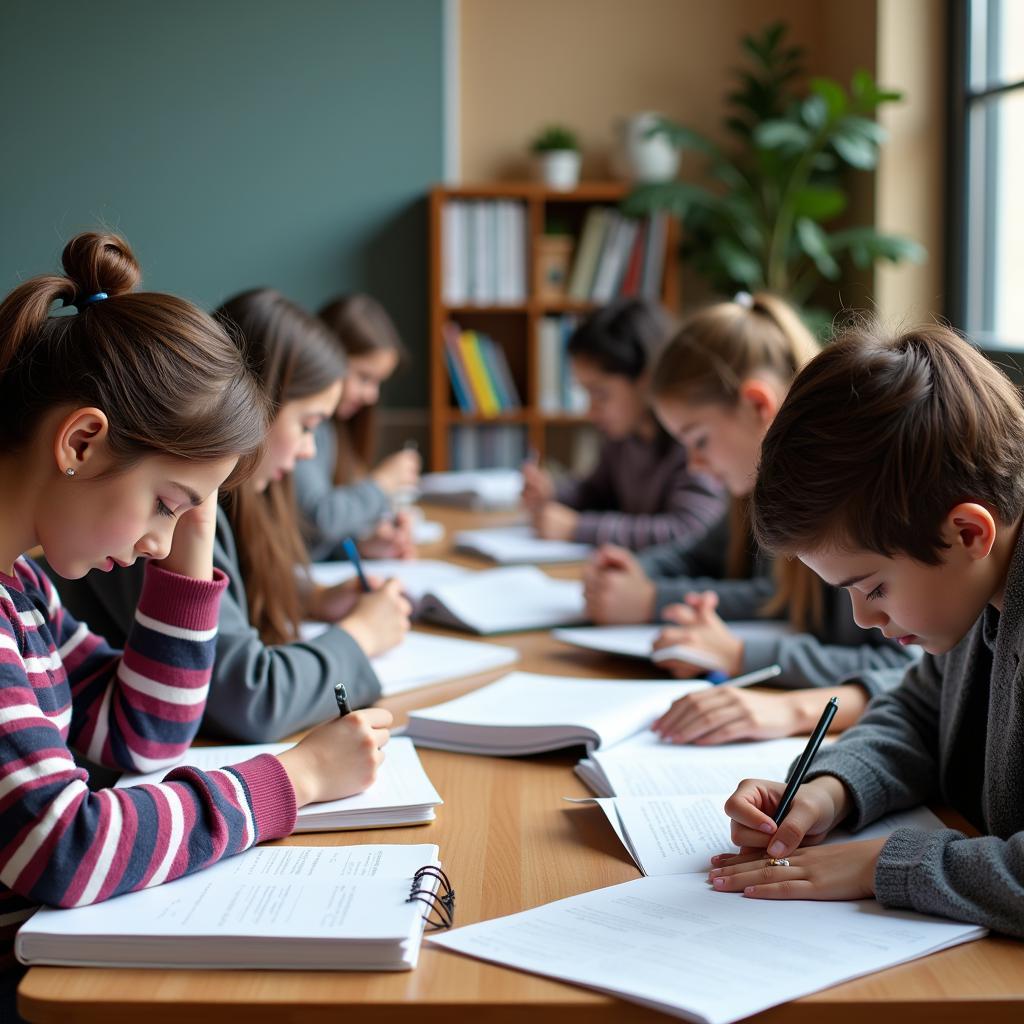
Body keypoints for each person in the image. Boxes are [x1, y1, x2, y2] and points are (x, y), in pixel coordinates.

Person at [0, 234, 391, 1019]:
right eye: (165, 504)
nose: (158, 544)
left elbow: (139, 735)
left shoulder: (24, 590)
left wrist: (199, 511)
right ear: (81, 442)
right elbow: (65, 847)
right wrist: (295, 782)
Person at [711, 323, 1024, 937]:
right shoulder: (977, 593)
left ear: (968, 533)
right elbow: (917, 711)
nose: (864, 618)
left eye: (874, 587)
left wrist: (886, 863)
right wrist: (831, 789)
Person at [49, 288, 410, 743]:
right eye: (308, 424)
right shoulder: (154, 513)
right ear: (261, 407)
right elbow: (249, 700)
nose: (309, 450)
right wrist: (360, 636)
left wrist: (312, 598)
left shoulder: (168, 507)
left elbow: (153, 729)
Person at [586, 294, 914, 744]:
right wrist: (638, 573)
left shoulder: (843, 499)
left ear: (758, 407)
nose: (693, 465)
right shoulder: (753, 491)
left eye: (698, 440)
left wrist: (735, 649)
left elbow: (905, 668)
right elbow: (701, 552)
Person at [521, 298, 725, 550]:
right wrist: (553, 492)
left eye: (600, 394)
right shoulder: (624, 438)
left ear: (646, 379)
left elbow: (691, 529)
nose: (590, 411)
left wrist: (577, 528)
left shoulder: (692, 441)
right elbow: (595, 492)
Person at [294, 294, 420, 562]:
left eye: (378, 383)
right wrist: (383, 483)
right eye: (364, 377)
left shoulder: (332, 429)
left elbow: (313, 544)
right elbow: (321, 518)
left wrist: (360, 546)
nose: (371, 396)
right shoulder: (305, 426)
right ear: (327, 358)